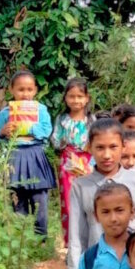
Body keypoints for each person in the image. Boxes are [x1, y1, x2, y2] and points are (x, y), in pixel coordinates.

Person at [66, 118, 135, 269]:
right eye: (100, 147)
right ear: (89, 148)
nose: (106, 155)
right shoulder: (81, 186)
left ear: (123, 147)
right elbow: (77, 237)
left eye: (113, 147)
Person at [0, 70, 56, 236]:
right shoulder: (5, 113)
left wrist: (27, 127)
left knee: (39, 200)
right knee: (17, 199)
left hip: (36, 155)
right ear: (12, 90)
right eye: (20, 90)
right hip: (15, 156)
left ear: (35, 90)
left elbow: (46, 130)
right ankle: (22, 240)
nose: (25, 94)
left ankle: (41, 239)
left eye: (29, 89)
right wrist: (2, 132)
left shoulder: (41, 110)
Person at [52, 76, 93, 249]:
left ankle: (91, 239)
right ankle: (71, 242)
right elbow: (55, 139)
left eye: (80, 96)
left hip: (88, 160)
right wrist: (64, 145)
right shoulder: (62, 120)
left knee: (89, 198)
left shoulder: (92, 120)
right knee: (69, 200)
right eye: (72, 96)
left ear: (87, 98)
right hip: (67, 162)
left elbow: (97, 139)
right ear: (66, 98)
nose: (76, 100)